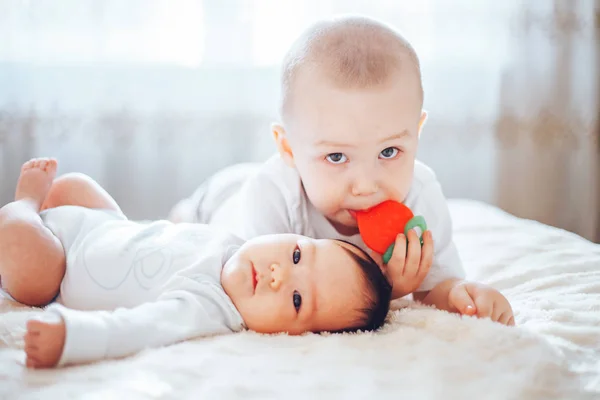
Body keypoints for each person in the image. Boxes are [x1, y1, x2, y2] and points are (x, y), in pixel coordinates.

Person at [169, 15, 515, 326]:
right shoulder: (271, 197)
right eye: (336, 157)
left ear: (417, 132)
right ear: (288, 148)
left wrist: (460, 295)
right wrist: (385, 291)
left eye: (389, 151)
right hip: (225, 197)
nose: (365, 186)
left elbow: (436, 286)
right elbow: (249, 294)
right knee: (186, 226)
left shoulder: (420, 197)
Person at [0, 158, 391, 369]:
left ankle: (25, 206)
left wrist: (73, 338)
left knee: (28, 267)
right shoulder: (234, 240)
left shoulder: (206, 306)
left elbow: (137, 329)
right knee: (74, 185)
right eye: (296, 255)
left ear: (294, 336)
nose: (279, 274)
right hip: (102, 226)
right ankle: (39, 215)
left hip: (61, 269)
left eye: (296, 300)